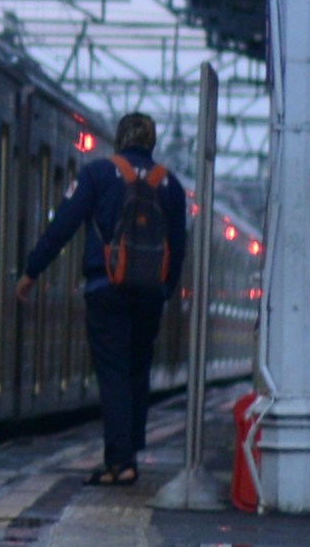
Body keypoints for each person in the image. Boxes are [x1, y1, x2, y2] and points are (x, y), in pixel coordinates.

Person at [22, 112, 190, 487]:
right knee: (136, 372)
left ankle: (120, 461)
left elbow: (63, 224)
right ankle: (130, 453)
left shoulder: (97, 174)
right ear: (152, 142)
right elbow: (177, 249)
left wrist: (32, 270)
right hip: (149, 296)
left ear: (120, 139)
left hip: (106, 290)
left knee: (112, 373)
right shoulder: (171, 186)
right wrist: (166, 291)